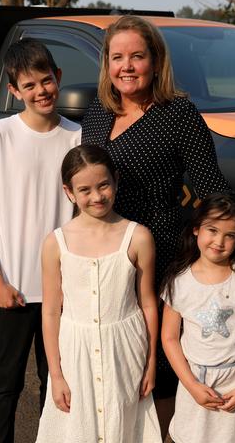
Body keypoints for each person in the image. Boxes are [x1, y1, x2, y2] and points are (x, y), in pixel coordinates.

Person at [80, 14, 235, 437]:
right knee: (109, 358)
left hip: (155, 257)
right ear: (106, 65)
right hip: (101, 258)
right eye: (117, 57)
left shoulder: (178, 114)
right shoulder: (97, 112)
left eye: (137, 56)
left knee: (158, 368)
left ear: (155, 61)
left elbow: (212, 189)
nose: (126, 66)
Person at [0, 38, 81, 443]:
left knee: (57, 384)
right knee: (6, 384)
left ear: (59, 78)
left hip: (62, 291)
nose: (41, 91)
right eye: (29, 86)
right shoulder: (1, 134)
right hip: (12, 287)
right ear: (14, 91)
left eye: (46, 81)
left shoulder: (76, 136)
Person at [35, 144, 162, 443]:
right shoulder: (55, 243)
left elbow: (148, 303)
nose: (96, 197)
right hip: (75, 353)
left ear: (116, 180)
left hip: (126, 351)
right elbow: (51, 310)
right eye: (85, 190)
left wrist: (152, 361)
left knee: (125, 426)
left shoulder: (139, 237)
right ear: (69, 192)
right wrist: (56, 374)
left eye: (103, 185)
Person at [160, 192, 235, 443]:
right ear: (196, 229)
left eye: (230, 235)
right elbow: (169, 338)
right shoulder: (178, 282)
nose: (219, 241)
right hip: (196, 384)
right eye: (212, 230)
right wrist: (191, 385)